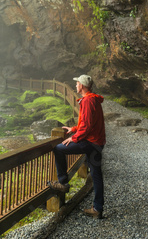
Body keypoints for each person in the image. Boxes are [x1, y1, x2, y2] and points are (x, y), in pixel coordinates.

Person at [47, 74, 106, 219]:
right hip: (98, 143)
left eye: (77, 83)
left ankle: (63, 183)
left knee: (59, 149)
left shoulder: (87, 101)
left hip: (90, 143)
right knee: (96, 175)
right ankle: (97, 209)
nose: (75, 85)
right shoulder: (93, 100)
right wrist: (73, 129)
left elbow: (86, 126)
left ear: (82, 85)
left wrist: (74, 138)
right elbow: (86, 122)